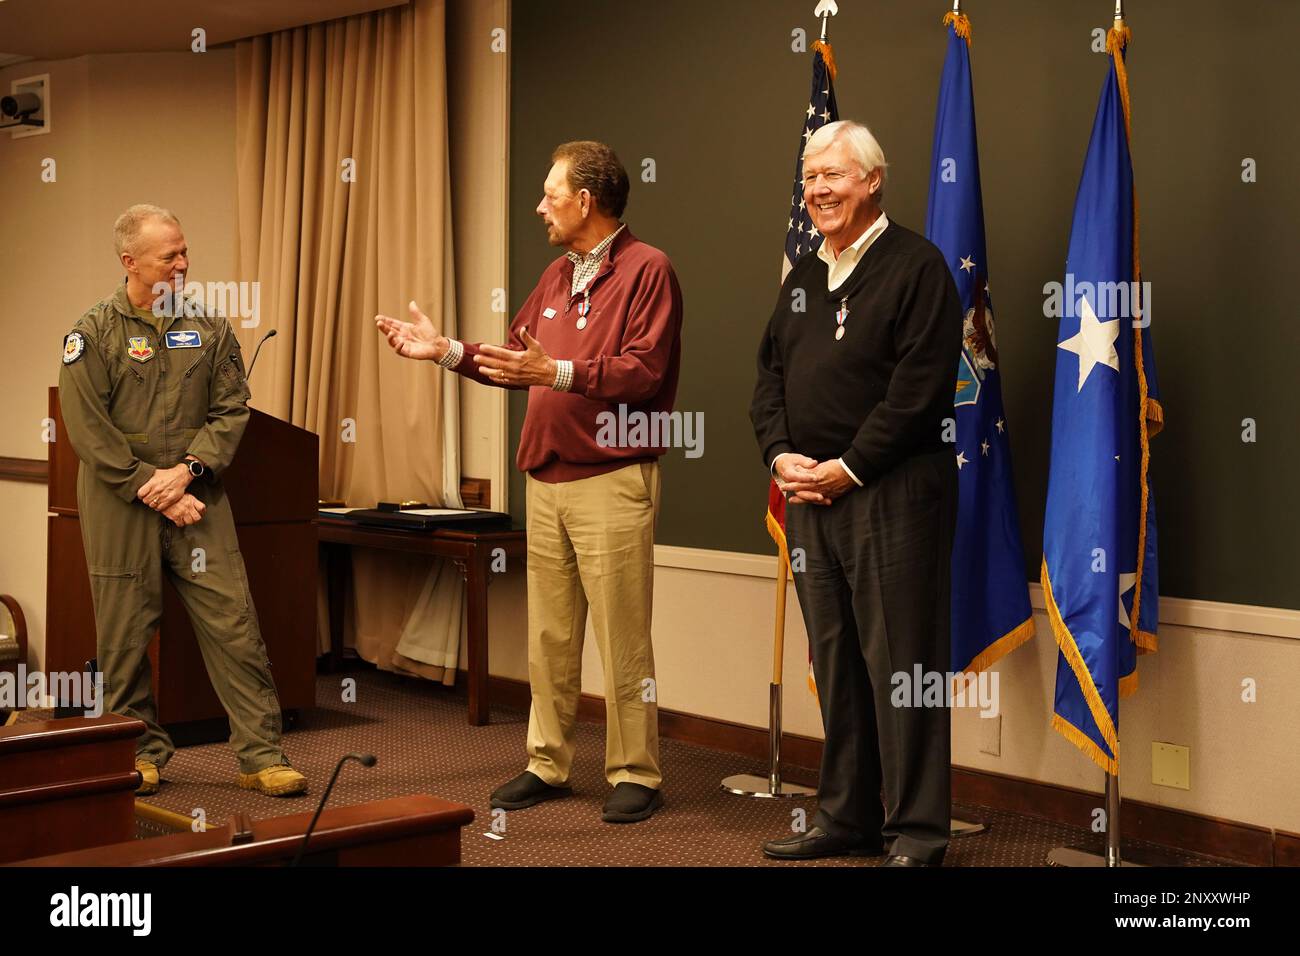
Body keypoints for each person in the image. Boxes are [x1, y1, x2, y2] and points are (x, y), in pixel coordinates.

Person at [376, 141, 682, 823]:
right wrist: (446, 352)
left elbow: (645, 373)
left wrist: (560, 374)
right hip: (545, 478)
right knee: (549, 636)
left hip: (612, 475)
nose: (539, 205)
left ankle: (638, 772)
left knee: (624, 637)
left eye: (550, 193)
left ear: (586, 201)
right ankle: (548, 761)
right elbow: (519, 362)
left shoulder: (648, 271)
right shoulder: (554, 275)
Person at [749, 121, 961, 865]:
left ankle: (917, 835)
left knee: (903, 667)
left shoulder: (918, 267)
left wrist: (848, 467)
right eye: (809, 177)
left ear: (873, 180)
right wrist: (781, 459)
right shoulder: (804, 276)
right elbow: (768, 379)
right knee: (836, 665)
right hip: (809, 499)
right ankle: (845, 819)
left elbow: (919, 392)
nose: (816, 190)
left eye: (832, 175)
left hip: (892, 496)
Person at [58, 204, 307, 798]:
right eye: (169, 255)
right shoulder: (91, 334)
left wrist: (189, 472)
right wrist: (157, 488)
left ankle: (261, 755)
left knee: (235, 625)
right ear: (130, 262)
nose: (183, 263)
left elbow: (231, 408)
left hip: (199, 498)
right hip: (122, 504)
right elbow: (88, 430)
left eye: (184, 251)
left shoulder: (210, 327)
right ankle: (137, 751)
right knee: (123, 638)